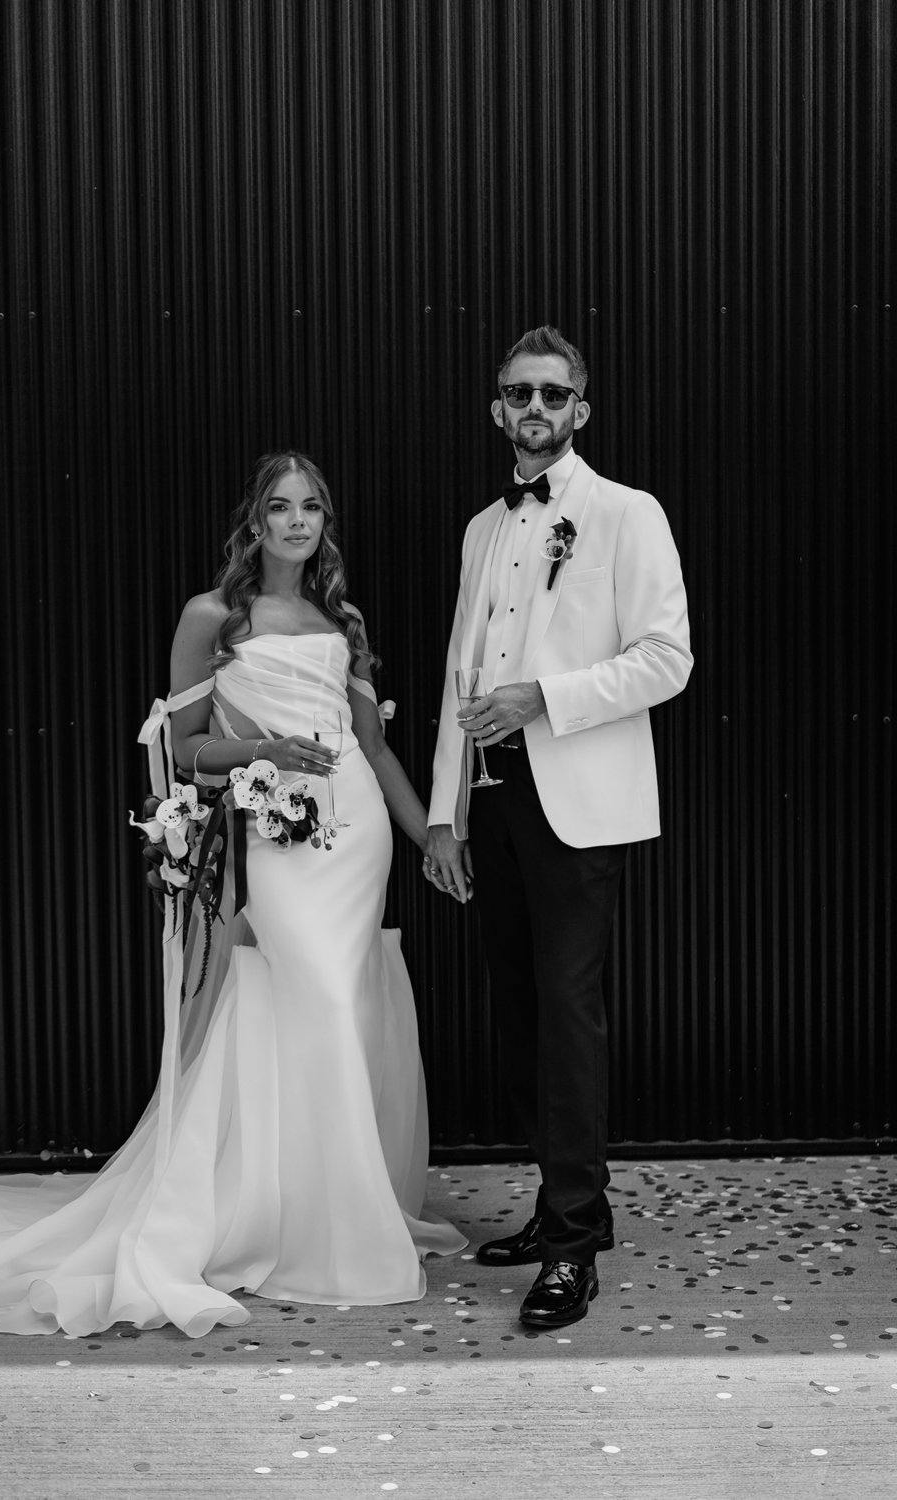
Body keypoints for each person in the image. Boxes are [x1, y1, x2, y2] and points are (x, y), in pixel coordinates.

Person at [0, 450, 465, 1336]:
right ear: (255, 520)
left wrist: (430, 830)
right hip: (279, 834)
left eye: (312, 508)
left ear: (325, 522)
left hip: (354, 832)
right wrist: (264, 754)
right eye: (280, 508)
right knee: (309, 992)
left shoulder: (340, 615)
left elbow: (377, 748)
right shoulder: (213, 617)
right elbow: (182, 749)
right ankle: (314, 1225)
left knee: (344, 1004)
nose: (296, 523)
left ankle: (336, 1206)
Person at [425, 327, 692, 1330]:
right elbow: (459, 674)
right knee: (518, 1022)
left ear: (581, 408)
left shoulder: (627, 514)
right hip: (490, 803)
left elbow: (668, 658)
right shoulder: (481, 528)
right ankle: (564, 1205)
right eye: (516, 394)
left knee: (568, 1021)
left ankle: (572, 1248)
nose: (533, 409)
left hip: (574, 805)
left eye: (552, 394)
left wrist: (547, 696)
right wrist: (446, 813)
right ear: (497, 409)